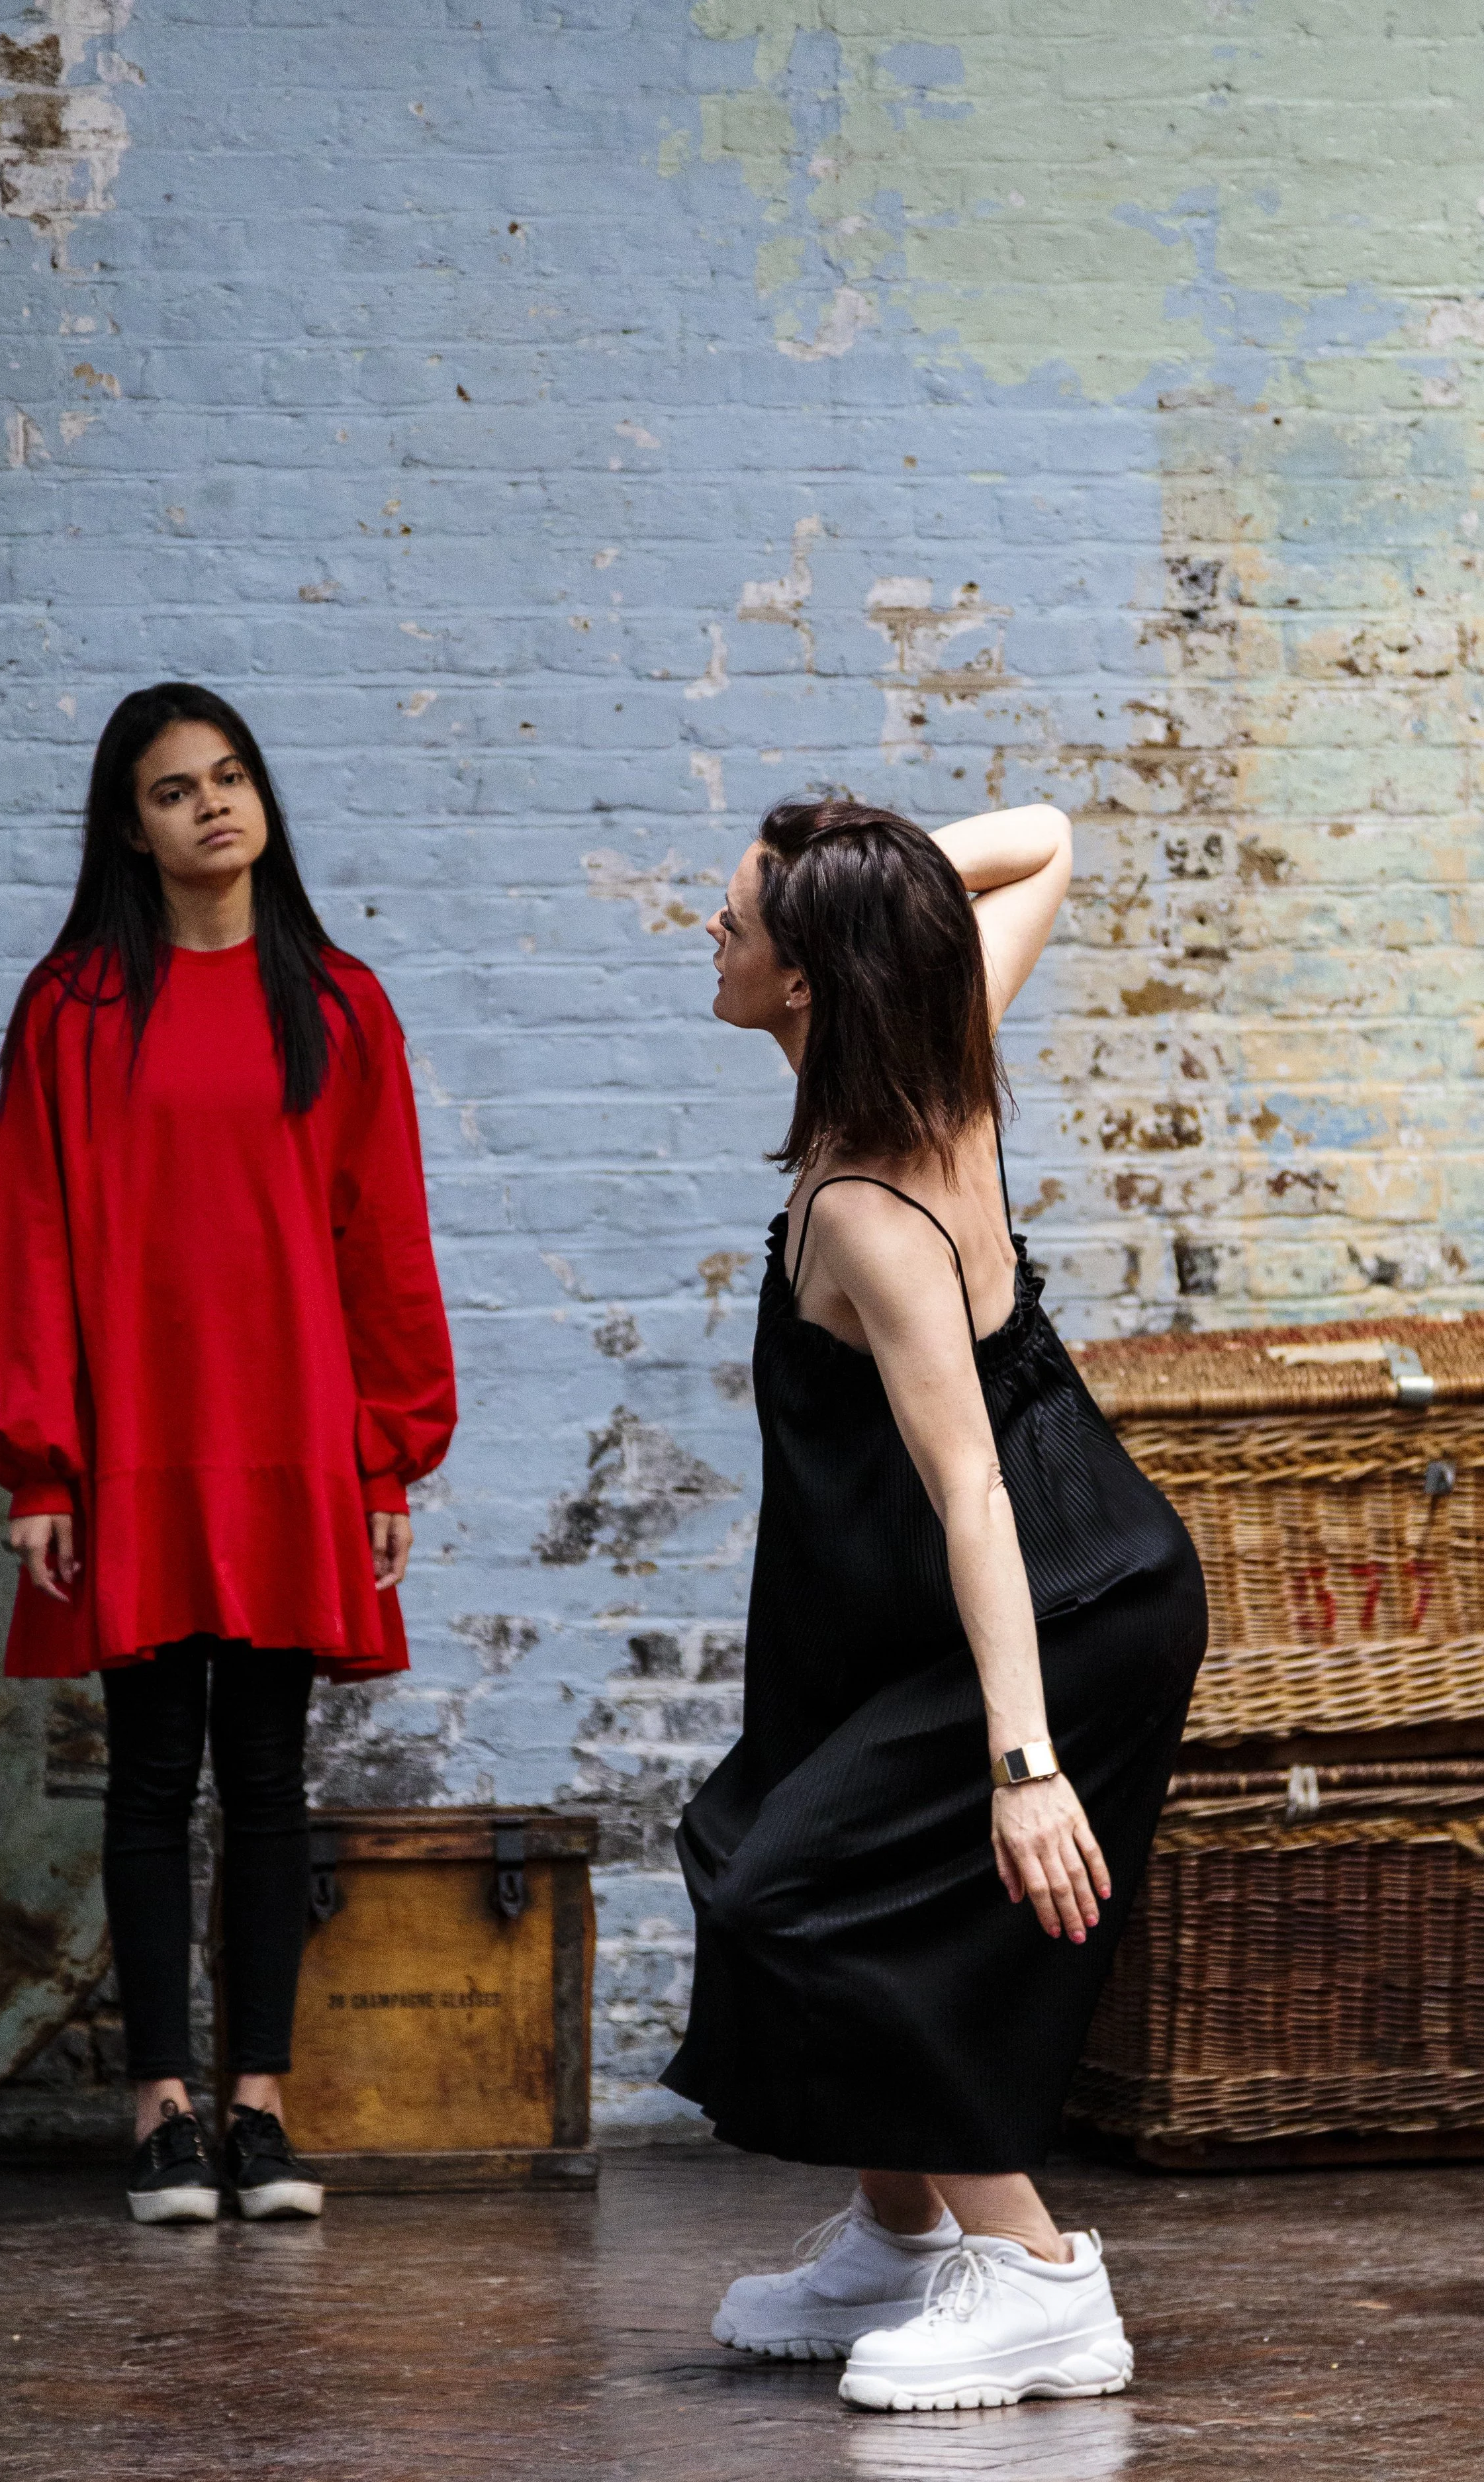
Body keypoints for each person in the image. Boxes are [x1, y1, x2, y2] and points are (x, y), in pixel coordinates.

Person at [662, 798, 1206, 2412]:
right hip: (941, 1578)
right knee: (744, 1837)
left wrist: (1019, 1768)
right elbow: (1040, 835)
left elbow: (969, 1485)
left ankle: (1037, 2278)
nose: (713, 931)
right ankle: (898, 2239)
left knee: (802, 1895)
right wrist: (855, 878)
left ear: (809, 980)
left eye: (742, 917)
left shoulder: (865, 1210)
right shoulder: (932, 1033)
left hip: (1063, 1586)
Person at [0, 684, 455, 2227]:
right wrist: (41, 1465)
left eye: (232, 777)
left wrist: (385, 1462)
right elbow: (28, 1237)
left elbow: (385, 1243)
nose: (212, 807)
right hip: (133, 1440)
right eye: (175, 790)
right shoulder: (74, 1010)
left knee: (265, 1780)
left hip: (292, 1437)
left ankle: (260, 2110)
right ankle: (161, 2110)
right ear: (132, 826)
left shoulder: (342, 1004)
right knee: (149, 1778)